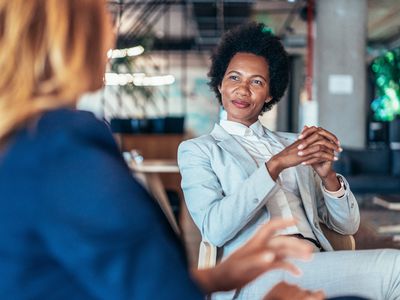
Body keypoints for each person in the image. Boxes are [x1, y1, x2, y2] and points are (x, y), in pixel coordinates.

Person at [0, 1, 328, 299]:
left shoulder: (24, 145)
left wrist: (215, 277)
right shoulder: (64, 156)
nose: (112, 31)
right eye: (105, 16)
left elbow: (98, 281)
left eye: (256, 81)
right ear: (73, 37)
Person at [178, 22, 400, 300]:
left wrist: (327, 176)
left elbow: (347, 227)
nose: (243, 90)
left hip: (313, 260)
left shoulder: (293, 143)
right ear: (220, 84)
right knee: (396, 268)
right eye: (234, 78)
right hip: (256, 271)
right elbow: (215, 229)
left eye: (256, 81)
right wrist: (274, 166)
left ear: (270, 93)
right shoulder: (199, 150)